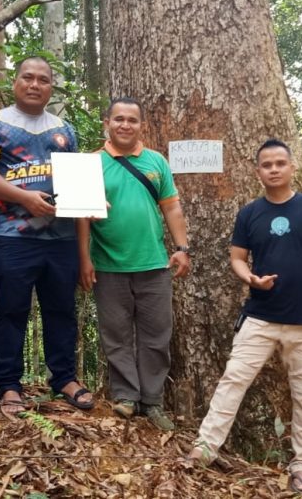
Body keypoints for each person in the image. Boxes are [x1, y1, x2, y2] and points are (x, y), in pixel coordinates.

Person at [187, 139, 302, 493]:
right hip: (259, 316)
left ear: (292, 167)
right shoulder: (250, 213)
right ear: (257, 171)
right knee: (233, 380)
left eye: (279, 163)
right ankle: (204, 449)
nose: (273, 169)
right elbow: (237, 258)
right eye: (266, 165)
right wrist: (251, 278)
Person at [0, 56, 94, 417]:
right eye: (28, 78)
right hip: (12, 235)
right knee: (10, 310)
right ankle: (8, 384)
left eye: (43, 79)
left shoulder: (65, 131)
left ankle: (65, 378)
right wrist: (25, 198)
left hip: (62, 238)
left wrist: (85, 254)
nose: (35, 84)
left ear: (51, 86)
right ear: (15, 82)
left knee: (62, 310)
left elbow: (80, 188)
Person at [76, 97, 190, 430]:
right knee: (116, 335)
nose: (125, 125)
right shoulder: (91, 163)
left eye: (132, 120)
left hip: (154, 264)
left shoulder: (156, 162)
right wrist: (84, 258)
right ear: (107, 124)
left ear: (141, 125)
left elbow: (171, 207)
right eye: (119, 119)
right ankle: (126, 396)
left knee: (157, 336)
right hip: (108, 264)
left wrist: (182, 247)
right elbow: (82, 217)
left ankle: (152, 402)